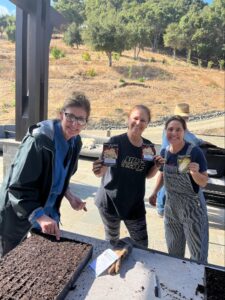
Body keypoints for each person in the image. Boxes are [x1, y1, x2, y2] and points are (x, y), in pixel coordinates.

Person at [0, 91, 90, 257]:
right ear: (61, 114)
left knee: (39, 259)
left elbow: (58, 176)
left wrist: (69, 196)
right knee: (10, 263)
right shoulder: (40, 140)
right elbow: (18, 188)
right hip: (18, 210)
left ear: (86, 122)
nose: (74, 123)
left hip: (46, 210)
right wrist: (40, 216)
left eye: (81, 119)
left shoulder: (75, 142)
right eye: (70, 116)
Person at [92, 105, 159, 248]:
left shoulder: (147, 147)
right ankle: (113, 269)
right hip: (110, 202)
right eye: (135, 118)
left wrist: (156, 166)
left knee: (142, 246)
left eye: (143, 120)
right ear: (128, 120)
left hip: (135, 205)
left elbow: (147, 175)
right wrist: (98, 169)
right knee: (112, 243)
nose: (138, 122)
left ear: (147, 124)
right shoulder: (115, 142)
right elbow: (101, 172)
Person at [149, 115, 209, 263]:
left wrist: (195, 173)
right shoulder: (164, 152)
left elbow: (204, 182)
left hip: (192, 208)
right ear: (165, 131)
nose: (174, 133)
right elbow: (163, 174)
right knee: (174, 253)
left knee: (198, 254)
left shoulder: (194, 152)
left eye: (178, 129)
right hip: (171, 208)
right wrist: (155, 192)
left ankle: (198, 285)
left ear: (184, 131)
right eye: (170, 129)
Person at [155, 103, 210, 217]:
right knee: (173, 182)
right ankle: (163, 208)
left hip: (168, 155)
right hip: (180, 158)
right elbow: (194, 140)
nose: (184, 119)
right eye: (183, 117)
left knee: (166, 180)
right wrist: (204, 142)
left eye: (185, 117)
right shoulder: (183, 130)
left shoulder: (168, 127)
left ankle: (161, 207)